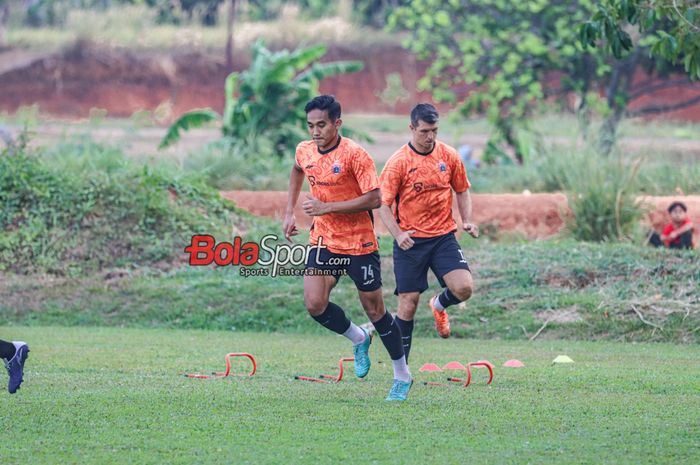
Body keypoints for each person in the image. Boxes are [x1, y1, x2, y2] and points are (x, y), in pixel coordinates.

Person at [283, 95, 412, 401]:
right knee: (314, 304)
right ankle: (358, 337)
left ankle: (402, 375)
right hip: (324, 240)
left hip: (359, 242)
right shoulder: (304, 149)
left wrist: (327, 207)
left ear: (337, 123)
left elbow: (374, 198)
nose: (316, 131)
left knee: (375, 310)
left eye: (322, 125)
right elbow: (297, 169)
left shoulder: (355, 154)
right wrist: (289, 212)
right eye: (311, 125)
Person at [378, 103, 478, 361]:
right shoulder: (398, 163)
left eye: (434, 130)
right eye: (424, 131)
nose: (430, 136)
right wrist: (399, 234)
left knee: (464, 288)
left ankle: (439, 304)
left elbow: (462, 189)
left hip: (443, 237)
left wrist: (467, 220)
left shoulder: (449, 156)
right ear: (411, 128)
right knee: (407, 303)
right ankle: (402, 371)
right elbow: (384, 205)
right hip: (410, 241)